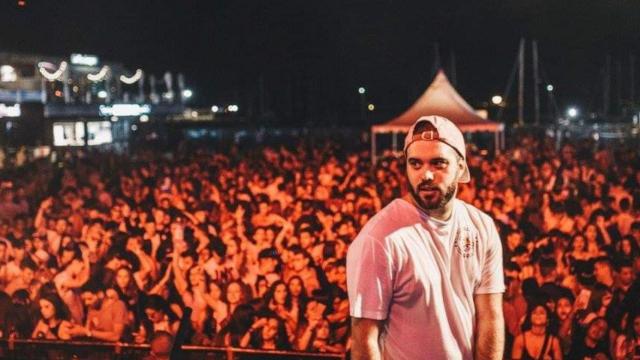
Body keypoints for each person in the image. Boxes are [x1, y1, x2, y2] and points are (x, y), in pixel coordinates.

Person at [347, 115, 505, 359]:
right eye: (416, 164)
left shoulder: (481, 226)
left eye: (438, 163)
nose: (426, 175)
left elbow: (490, 316)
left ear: (460, 167)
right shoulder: (379, 239)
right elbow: (364, 337)